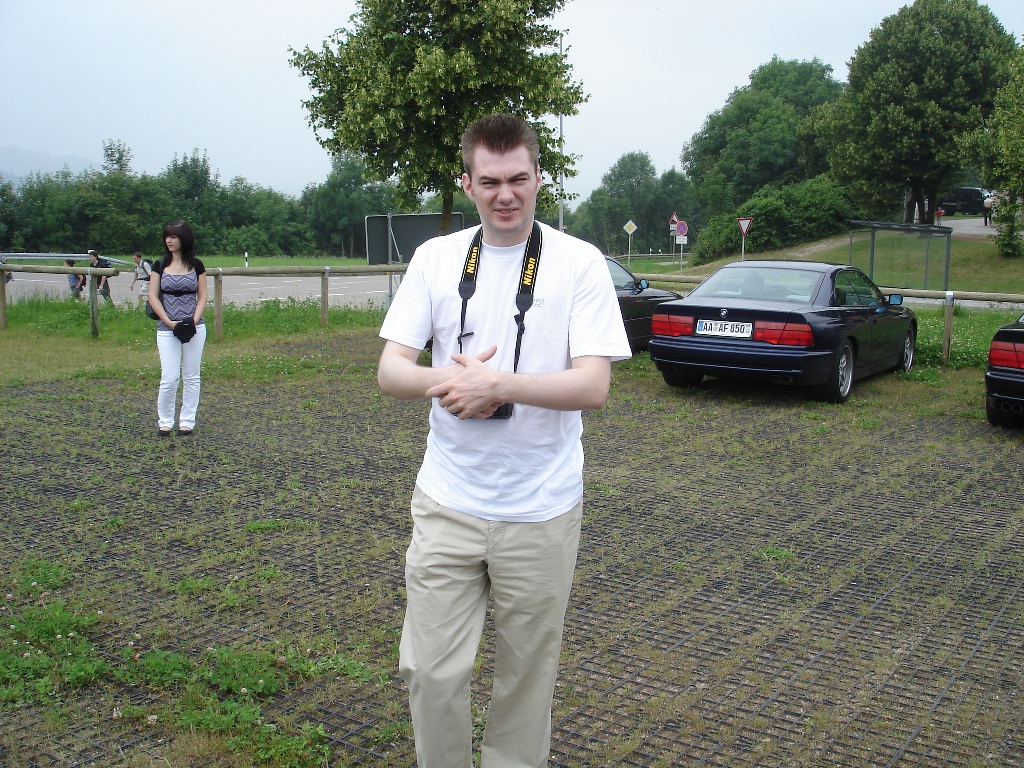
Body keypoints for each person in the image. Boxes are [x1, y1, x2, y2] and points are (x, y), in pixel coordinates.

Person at [377, 114, 631, 768]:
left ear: (540, 177)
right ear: (467, 183)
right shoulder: (435, 259)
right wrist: (456, 382)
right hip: (448, 501)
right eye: (489, 182)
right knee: (429, 669)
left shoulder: (579, 263)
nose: (506, 194)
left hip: (541, 509)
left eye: (519, 178)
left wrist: (501, 385)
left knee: (526, 680)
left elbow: (594, 385)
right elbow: (392, 371)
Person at [148, 220, 208, 436]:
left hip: (194, 327)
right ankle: (165, 421)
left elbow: (203, 296)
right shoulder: (159, 265)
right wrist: (169, 322)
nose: (169, 240)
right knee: (170, 377)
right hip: (167, 328)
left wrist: (193, 320)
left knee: (191, 376)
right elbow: (153, 296)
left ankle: (187, 421)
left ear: (184, 239)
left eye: (174, 237)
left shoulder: (197, 265)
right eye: (167, 236)